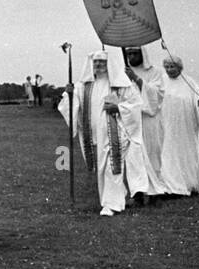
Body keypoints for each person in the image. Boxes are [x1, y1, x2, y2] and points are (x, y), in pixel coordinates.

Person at [60, 50, 144, 216]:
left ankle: (111, 204)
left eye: (101, 62)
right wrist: (68, 93)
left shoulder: (119, 84)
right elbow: (70, 103)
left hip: (115, 132)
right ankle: (116, 197)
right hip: (93, 134)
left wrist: (119, 107)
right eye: (96, 62)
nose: (98, 65)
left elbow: (135, 104)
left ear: (108, 64)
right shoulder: (84, 85)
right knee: (102, 167)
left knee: (111, 166)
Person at [157, 55, 199, 196]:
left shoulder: (189, 82)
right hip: (167, 125)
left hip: (186, 126)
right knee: (168, 155)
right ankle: (170, 187)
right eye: (167, 67)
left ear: (179, 68)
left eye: (173, 66)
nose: (170, 70)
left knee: (186, 154)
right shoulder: (161, 81)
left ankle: (189, 184)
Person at [124, 45, 167, 196]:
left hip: (149, 119)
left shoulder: (154, 72)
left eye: (135, 53)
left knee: (152, 152)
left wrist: (135, 78)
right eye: (129, 54)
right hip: (131, 119)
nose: (132, 57)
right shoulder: (123, 72)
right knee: (134, 156)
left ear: (142, 54)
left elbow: (157, 94)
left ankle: (155, 190)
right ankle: (138, 190)